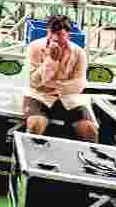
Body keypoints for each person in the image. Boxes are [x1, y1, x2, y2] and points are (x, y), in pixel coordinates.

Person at [25, 14, 98, 142]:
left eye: (59, 35)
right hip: (39, 96)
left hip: (69, 99)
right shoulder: (34, 47)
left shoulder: (79, 53)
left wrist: (51, 86)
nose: (54, 38)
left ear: (68, 35)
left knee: (89, 130)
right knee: (35, 125)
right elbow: (34, 82)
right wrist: (51, 61)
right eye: (51, 33)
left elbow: (79, 84)